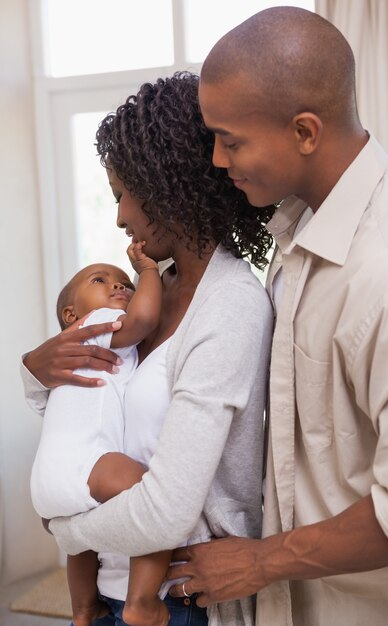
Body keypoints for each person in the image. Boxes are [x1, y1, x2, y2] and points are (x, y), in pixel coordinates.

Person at [162, 6, 388, 626]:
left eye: (230, 139)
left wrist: (264, 561)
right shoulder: (299, 224)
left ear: (305, 131)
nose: (219, 161)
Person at [22, 71, 274, 626]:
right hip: (118, 581)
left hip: (183, 599)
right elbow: (91, 407)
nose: (118, 217)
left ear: (163, 181)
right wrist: (35, 374)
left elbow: (166, 511)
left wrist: (63, 526)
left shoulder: (230, 305)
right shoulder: (146, 295)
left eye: (120, 194)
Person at [30, 241, 176, 626]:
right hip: (88, 460)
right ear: (70, 313)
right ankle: (142, 600)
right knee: (153, 496)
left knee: (81, 546)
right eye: (101, 279)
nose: (118, 286)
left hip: (48, 476)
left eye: (125, 282)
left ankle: (82, 610)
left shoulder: (80, 346)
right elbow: (144, 320)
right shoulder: (93, 327)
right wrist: (147, 272)